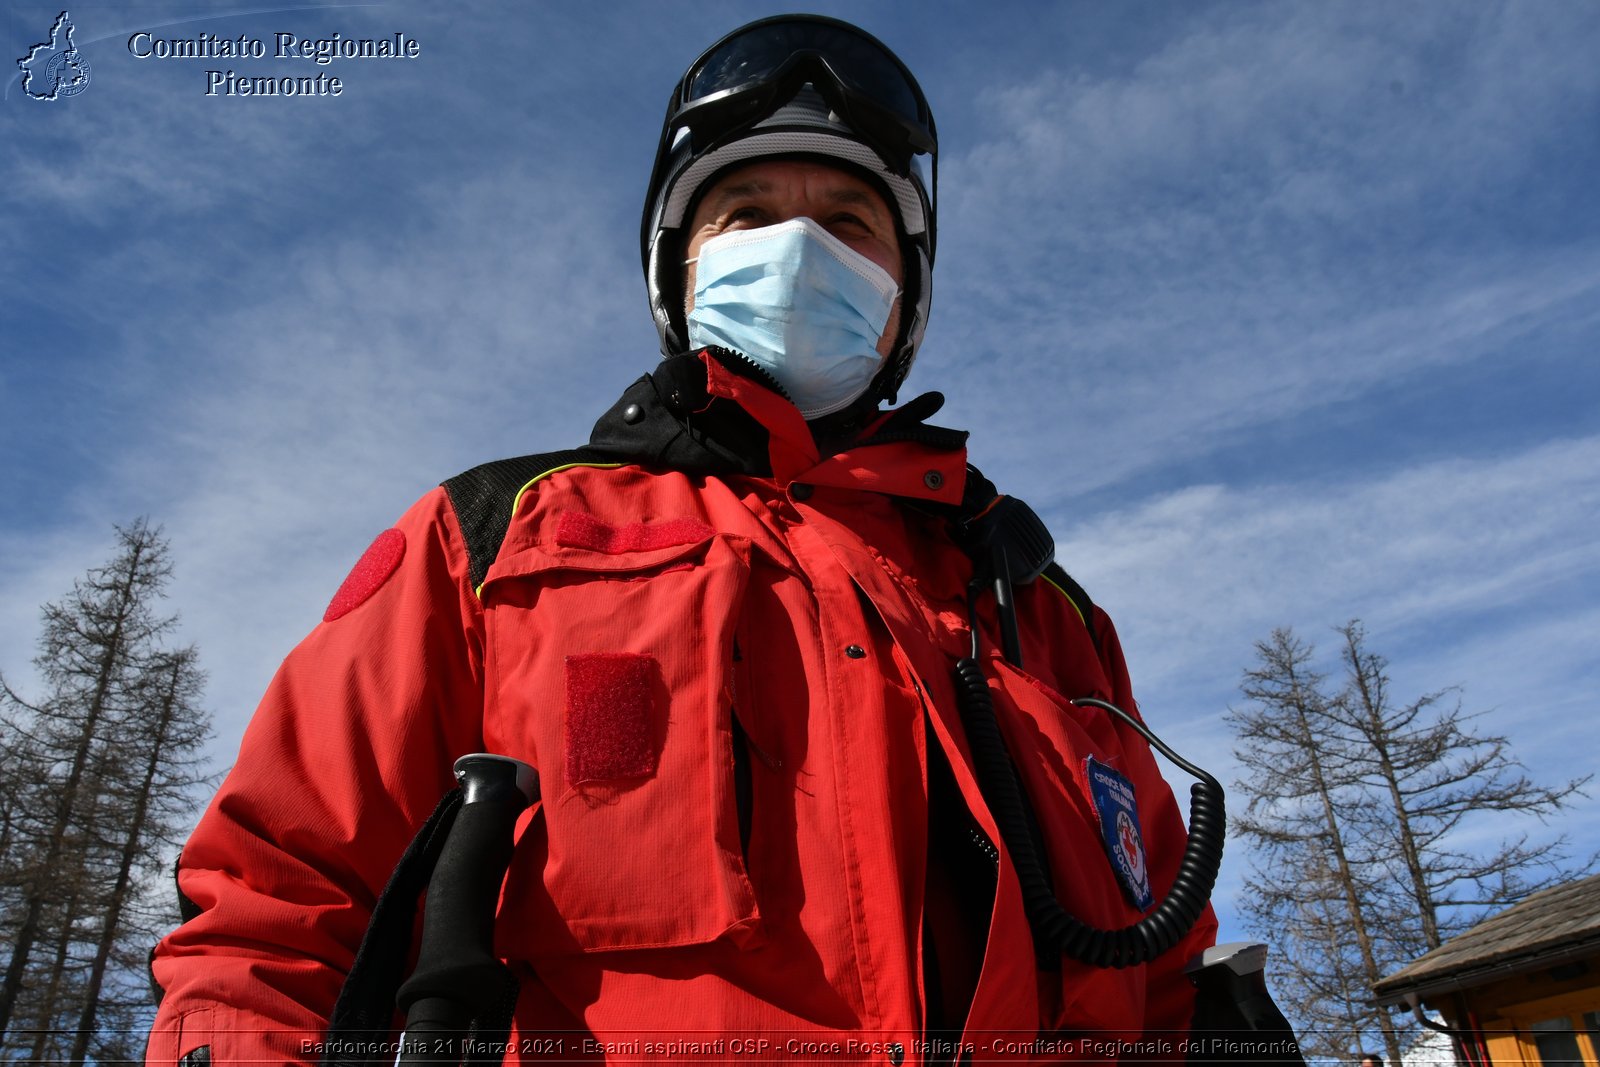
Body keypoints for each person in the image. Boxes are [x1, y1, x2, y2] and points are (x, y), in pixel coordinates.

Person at [146, 14, 1219, 1065]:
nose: (797, 249)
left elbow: (1169, 986)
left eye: (850, 223)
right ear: (678, 270)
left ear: (905, 293)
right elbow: (276, 909)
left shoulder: (1036, 607)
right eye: (745, 212)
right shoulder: (488, 540)